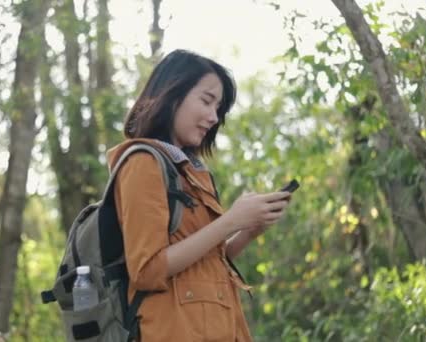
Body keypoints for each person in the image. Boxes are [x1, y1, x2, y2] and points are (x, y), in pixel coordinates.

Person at [106, 49, 292, 342]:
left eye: (219, 108)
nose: (213, 117)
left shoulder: (190, 171)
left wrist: (247, 231)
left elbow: (204, 263)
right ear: (171, 93)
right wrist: (230, 220)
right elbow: (147, 270)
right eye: (206, 101)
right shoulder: (142, 163)